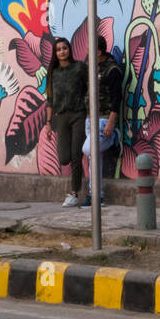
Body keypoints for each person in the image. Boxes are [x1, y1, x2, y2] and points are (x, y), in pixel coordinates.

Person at [45, 37, 88, 208]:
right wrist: (48, 122)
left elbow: (90, 87)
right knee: (64, 158)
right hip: (61, 116)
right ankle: (76, 185)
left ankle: (74, 193)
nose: (62, 51)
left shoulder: (79, 68)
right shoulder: (53, 73)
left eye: (64, 48)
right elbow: (50, 99)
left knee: (77, 155)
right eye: (58, 49)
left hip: (78, 114)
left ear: (69, 49)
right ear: (55, 53)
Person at [81, 36, 122, 208]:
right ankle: (97, 196)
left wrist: (112, 122)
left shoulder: (112, 70)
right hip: (90, 118)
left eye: (91, 49)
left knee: (88, 149)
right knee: (93, 158)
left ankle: (114, 140)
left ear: (98, 51)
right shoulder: (91, 66)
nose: (88, 52)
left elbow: (117, 97)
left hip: (104, 118)